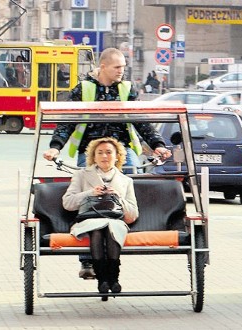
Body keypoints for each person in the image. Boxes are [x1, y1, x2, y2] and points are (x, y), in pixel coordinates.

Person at [43, 47, 171, 279]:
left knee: (131, 188)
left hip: (121, 151)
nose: (122, 71)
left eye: (123, 67)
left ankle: (125, 236)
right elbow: (67, 121)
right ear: (103, 67)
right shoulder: (83, 88)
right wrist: (55, 146)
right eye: (117, 67)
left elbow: (140, 120)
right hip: (90, 151)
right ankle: (87, 260)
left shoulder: (128, 89)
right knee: (87, 195)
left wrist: (158, 144)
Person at [62, 137, 138, 294]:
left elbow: (132, 215)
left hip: (114, 220)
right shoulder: (81, 175)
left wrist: (118, 197)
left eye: (109, 152)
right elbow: (68, 203)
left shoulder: (125, 180)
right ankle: (103, 279)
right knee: (96, 230)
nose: (104, 156)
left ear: (117, 156)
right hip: (88, 220)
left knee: (111, 227)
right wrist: (90, 193)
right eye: (100, 153)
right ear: (93, 157)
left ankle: (113, 279)